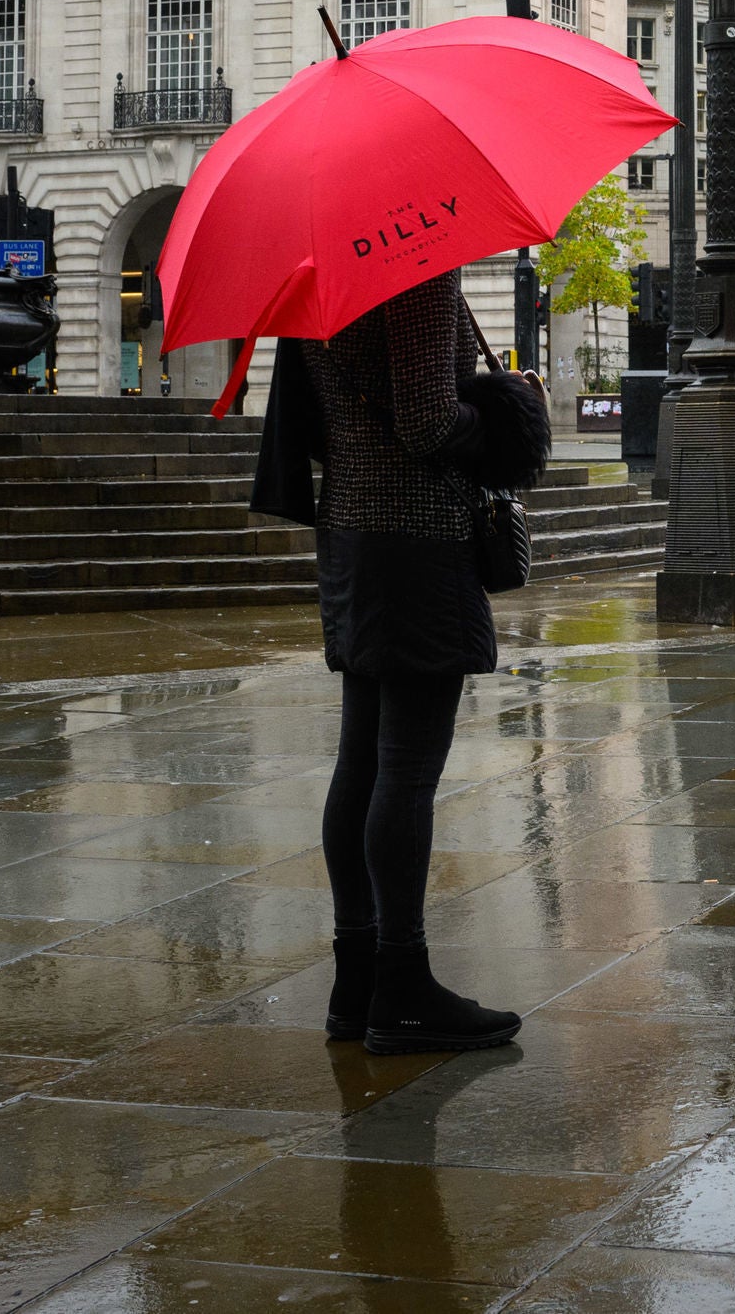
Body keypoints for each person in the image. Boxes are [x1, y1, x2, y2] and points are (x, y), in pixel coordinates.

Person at [259, 272, 519, 1056]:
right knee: (406, 771)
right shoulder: (413, 270)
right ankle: (403, 984)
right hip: (415, 535)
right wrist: (505, 415)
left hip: (350, 530)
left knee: (363, 762)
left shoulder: (314, 275)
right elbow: (428, 421)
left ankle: (358, 976)